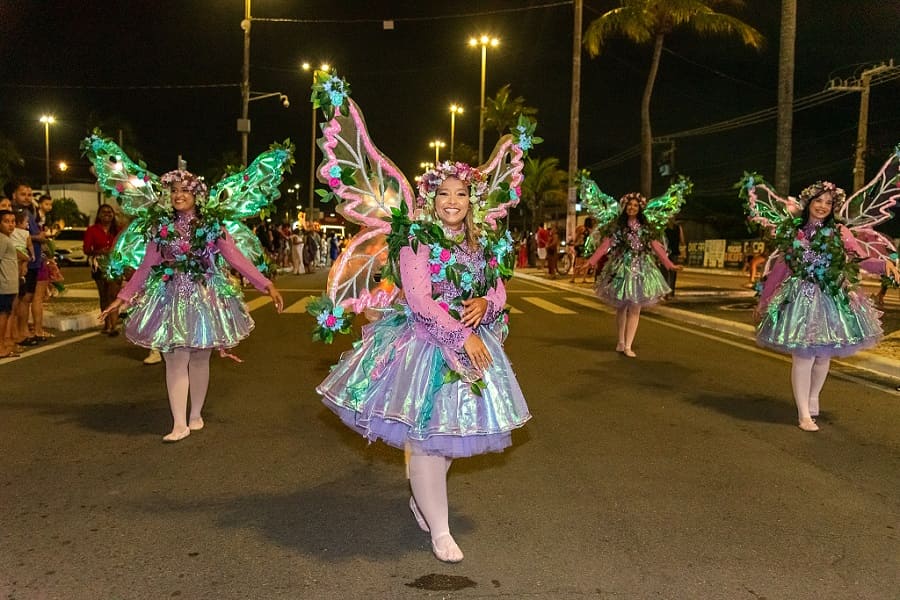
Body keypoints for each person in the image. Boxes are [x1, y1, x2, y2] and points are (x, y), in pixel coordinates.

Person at [316, 165, 530, 564]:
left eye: (461, 194)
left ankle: (423, 502)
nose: (452, 201)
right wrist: (460, 334)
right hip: (423, 346)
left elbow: (497, 287)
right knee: (428, 443)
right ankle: (441, 531)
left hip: (473, 344)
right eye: (444, 193)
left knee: (449, 439)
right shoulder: (415, 240)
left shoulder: (483, 241)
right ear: (432, 199)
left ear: (472, 201)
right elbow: (418, 299)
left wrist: (487, 304)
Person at [100, 171, 285, 441]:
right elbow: (147, 265)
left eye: (184, 190)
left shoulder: (211, 224)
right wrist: (123, 297)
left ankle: (195, 414)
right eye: (174, 190)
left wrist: (266, 284)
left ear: (197, 195)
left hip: (205, 297)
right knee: (175, 358)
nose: (178, 195)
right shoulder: (160, 226)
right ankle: (178, 423)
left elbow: (235, 257)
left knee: (199, 358)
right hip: (170, 296)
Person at [752, 181, 899, 432]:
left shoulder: (840, 231)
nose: (822, 206)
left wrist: (884, 265)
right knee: (804, 356)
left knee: (823, 355)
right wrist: (764, 300)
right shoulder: (794, 233)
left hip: (832, 295)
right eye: (818, 201)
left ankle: (813, 397)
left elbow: (860, 258)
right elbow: (780, 269)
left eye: (828, 203)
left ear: (833, 207)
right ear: (808, 203)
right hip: (801, 298)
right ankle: (803, 414)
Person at [587, 192, 681, 357]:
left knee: (635, 307)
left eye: (636, 205)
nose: (632, 207)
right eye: (630, 205)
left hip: (641, 269)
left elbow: (656, 247)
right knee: (622, 307)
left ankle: (628, 345)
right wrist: (591, 262)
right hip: (621, 269)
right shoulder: (618, 227)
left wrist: (669, 264)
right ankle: (621, 341)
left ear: (640, 208)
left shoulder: (646, 228)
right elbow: (605, 245)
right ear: (625, 207)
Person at [83, 204, 123, 335]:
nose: (107, 214)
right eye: (104, 212)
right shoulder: (92, 230)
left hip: (115, 264)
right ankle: (107, 324)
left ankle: (114, 325)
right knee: (104, 295)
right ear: (99, 215)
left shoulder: (118, 230)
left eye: (109, 212)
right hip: (99, 264)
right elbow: (87, 249)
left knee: (114, 294)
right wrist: (100, 251)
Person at [0, 209, 21, 358]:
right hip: (4, 285)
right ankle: (1, 346)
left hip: (10, 284)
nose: (11, 225)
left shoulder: (7, 239)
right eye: (6, 221)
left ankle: (4, 344)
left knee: (6, 314)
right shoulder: (2, 239)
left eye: (13, 221)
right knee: (2, 315)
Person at [662, 216, 685, 298]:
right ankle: (671, 292)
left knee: (665, 272)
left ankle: (665, 293)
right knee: (673, 273)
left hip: (665, 253)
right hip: (675, 252)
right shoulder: (678, 228)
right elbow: (682, 241)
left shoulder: (663, 228)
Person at [569, 216, 595, 283]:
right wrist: (575, 243)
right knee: (578, 262)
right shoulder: (583, 228)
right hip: (581, 247)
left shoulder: (590, 229)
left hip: (585, 247)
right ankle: (574, 278)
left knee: (585, 262)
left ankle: (582, 278)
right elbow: (577, 236)